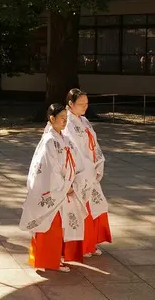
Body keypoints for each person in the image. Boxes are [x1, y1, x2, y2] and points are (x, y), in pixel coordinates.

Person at [19, 103, 87, 272]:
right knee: (51, 225)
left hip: (63, 187)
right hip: (53, 189)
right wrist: (65, 186)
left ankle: (55, 257)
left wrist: (72, 181)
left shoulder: (62, 137)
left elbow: (73, 160)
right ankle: (50, 260)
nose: (65, 122)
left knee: (60, 225)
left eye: (66, 118)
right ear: (52, 119)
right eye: (62, 118)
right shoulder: (50, 141)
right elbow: (50, 170)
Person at [63, 88, 112, 257]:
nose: (85, 107)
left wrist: (98, 162)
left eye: (86, 104)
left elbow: (94, 144)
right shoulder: (67, 123)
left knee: (96, 206)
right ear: (70, 104)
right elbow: (73, 149)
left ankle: (90, 243)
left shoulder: (84, 120)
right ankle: (81, 247)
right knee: (79, 208)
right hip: (80, 171)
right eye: (81, 104)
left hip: (90, 168)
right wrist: (85, 169)